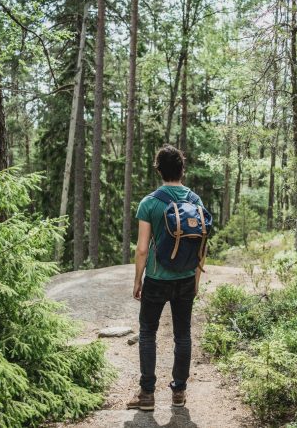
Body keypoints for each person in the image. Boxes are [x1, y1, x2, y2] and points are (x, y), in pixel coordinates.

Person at [126, 145, 205, 411]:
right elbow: (201, 247)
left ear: (158, 170)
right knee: (183, 335)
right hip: (185, 278)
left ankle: (147, 394)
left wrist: (138, 279)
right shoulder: (196, 201)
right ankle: (179, 392)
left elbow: (142, 248)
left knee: (148, 332)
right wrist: (196, 280)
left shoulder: (149, 202)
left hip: (157, 279)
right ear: (182, 169)